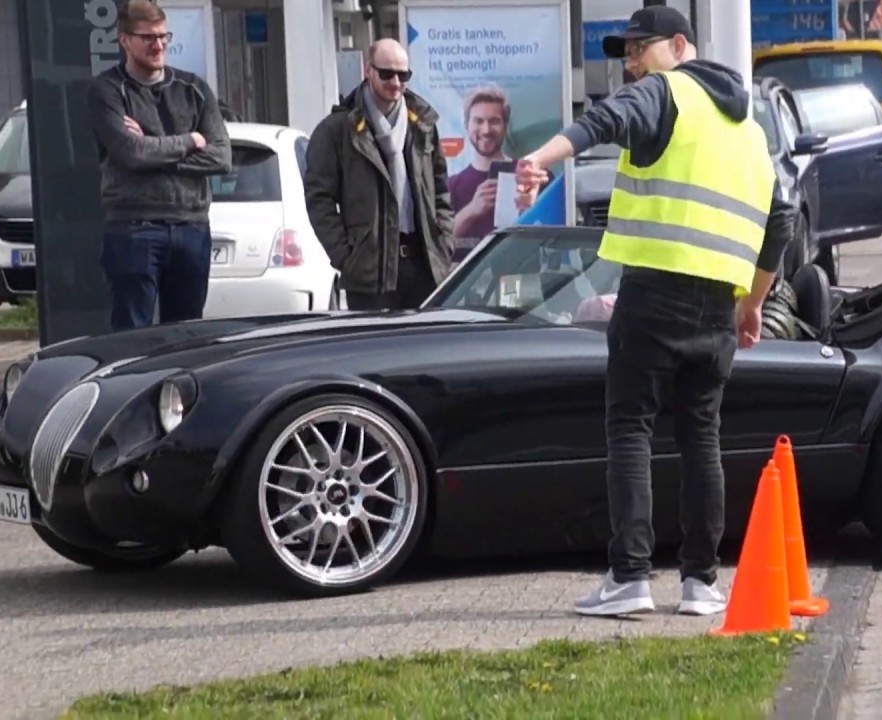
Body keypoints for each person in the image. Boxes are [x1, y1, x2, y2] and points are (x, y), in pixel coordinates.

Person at [514, 6, 797, 618]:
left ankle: (630, 578)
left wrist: (540, 158)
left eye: (640, 49)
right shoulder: (749, 130)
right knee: (701, 436)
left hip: (656, 293)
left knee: (630, 427)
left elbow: (603, 121)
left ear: (678, 45)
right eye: (626, 53)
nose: (631, 62)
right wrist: (753, 303)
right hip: (718, 305)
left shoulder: (664, 92)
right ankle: (701, 583)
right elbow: (782, 221)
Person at [86, 0, 231, 332]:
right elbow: (131, 153)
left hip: (192, 225)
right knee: (131, 336)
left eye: (164, 36)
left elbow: (221, 157)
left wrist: (155, 151)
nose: (159, 45)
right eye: (148, 38)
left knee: (187, 335)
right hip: (134, 227)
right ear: (124, 40)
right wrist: (188, 140)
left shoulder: (193, 88)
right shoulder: (107, 90)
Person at [303, 38, 454, 311]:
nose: (395, 82)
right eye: (386, 74)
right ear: (368, 71)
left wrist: (443, 243)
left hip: (424, 266)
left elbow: (441, 190)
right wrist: (346, 257)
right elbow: (319, 199)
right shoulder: (337, 129)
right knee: (377, 352)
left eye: (403, 75)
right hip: (370, 273)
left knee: (425, 351)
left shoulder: (423, 125)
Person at [448, 85, 514, 241]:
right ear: (467, 125)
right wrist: (472, 210)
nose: (486, 130)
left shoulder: (528, 175)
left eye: (494, 121)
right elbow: (437, 244)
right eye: (478, 121)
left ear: (506, 126)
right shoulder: (452, 187)